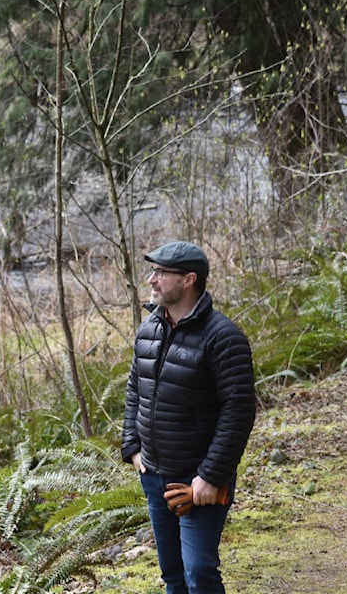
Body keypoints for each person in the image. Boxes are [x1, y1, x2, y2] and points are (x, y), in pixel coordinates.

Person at [121, 241, 256, 594]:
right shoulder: (150, 328)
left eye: (161, 273)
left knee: (199, 572)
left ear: (189, 280)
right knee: (173, 575)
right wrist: (132, 447)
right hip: (153, 475)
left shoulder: (224, 338)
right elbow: (135, 387)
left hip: (198, 482)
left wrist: (211, 476)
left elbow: (238, 411)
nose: (151, 279)